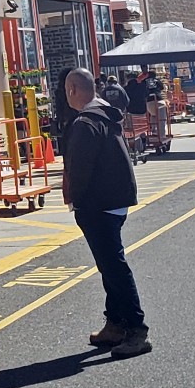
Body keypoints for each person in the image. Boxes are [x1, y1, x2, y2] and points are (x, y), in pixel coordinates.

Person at [60, 69, 151, 360]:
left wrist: (76, 200)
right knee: (108, 264)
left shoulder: (85, 123)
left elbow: (80, 168)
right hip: (115, 200)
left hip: (98, 203)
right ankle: (115, 323)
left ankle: (136, 329)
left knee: (113, 266)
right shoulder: (107, 116)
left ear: (73, 90)